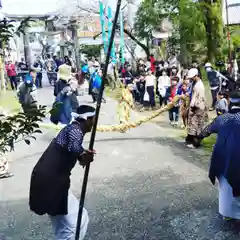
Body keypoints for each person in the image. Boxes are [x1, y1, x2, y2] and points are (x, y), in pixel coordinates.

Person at [29, 105, 96, 239]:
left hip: (50, 181)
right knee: (78, 222)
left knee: (67, 225)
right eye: (93, 119)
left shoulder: (72, 129)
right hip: (51, 184)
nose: (94, 123)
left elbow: (73, 150)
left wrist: (83, 156)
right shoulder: (75, 131)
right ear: (87, 119)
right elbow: (74, 146)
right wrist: (83, 153)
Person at [198, 91, 240, 220]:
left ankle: (228, 214)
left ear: (229, 102)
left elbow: (205, 132)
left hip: (222, 158)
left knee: (226, 186)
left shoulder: (222, 119)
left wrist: (198, 136)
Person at [185, 68, 207, 148]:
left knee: (198, 125)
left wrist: (193, 105)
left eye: (192, 77)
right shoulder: (195, 83)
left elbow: (200, 98)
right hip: (195, 107)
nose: (190, 79)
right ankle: (190, 139)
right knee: (193, 124)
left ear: (196, 76)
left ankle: (196, 143)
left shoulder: (199, 86)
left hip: (198, 108)